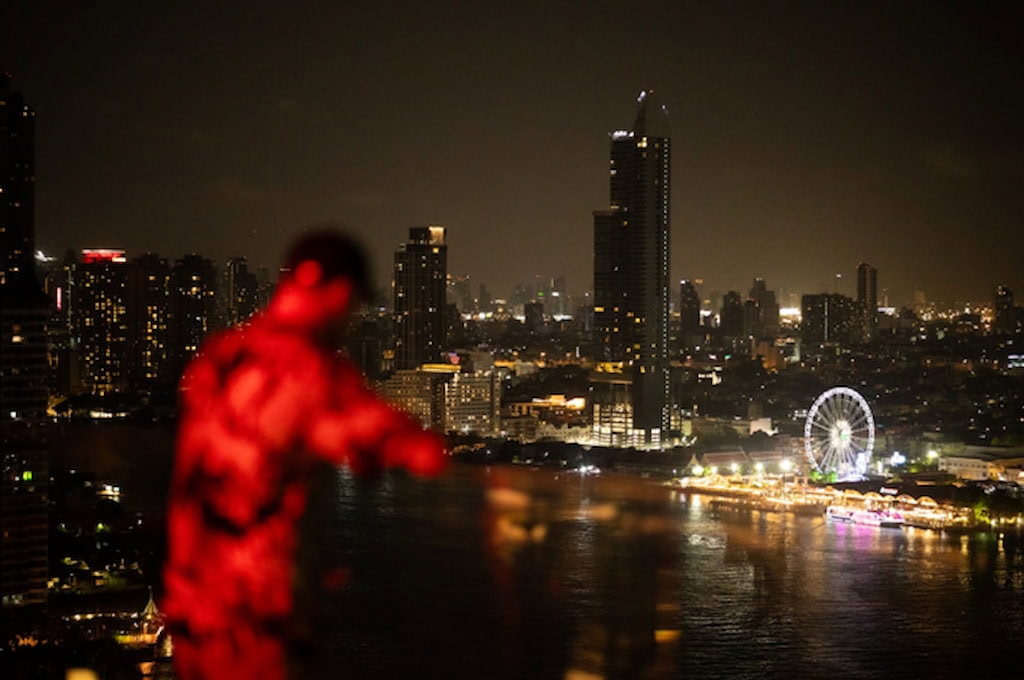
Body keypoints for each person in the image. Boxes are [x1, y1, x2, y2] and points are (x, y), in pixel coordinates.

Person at [163, 231, 446, 679]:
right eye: (354, 306)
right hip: (253, 615)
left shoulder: (220, 353)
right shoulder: (308, 367)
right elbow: (393, 442)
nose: (351, 320)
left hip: (191, 607)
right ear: (339, 293)